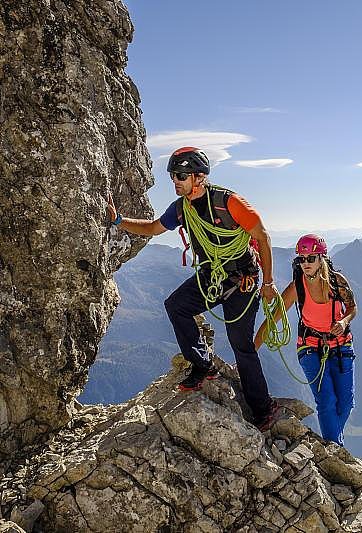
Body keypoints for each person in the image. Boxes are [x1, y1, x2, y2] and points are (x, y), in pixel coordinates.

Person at [106, 146, 280, 430]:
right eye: (173, 175)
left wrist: (269, 283)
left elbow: (263, 237)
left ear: (199, 177)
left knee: (242, 345)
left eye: (181, 175)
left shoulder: (230, 202)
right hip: (214, 274)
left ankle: (263, 409)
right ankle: (202, 365)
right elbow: (152, 229)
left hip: (243, 279)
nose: (175, 181)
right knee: (177, 305)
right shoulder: (181, 208)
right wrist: (117, 220)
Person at [256, 234, 357, 445]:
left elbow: (352, 308)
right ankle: (335, 449)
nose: (306, 263)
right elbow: (272, 320)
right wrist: (249, 353)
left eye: (311, 258)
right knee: (326, 401)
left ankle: (334, 443)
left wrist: (344, 322)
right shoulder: (297, 288)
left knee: (346, 403)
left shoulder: (337, 282)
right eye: (302, 259)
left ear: (322, 258)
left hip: (340, 346)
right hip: (310, 347)